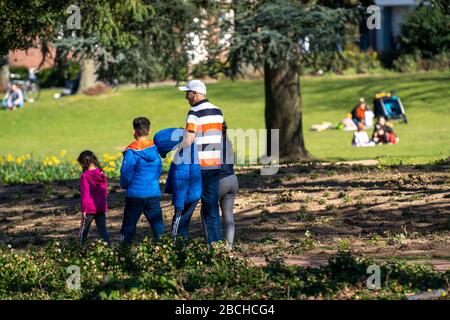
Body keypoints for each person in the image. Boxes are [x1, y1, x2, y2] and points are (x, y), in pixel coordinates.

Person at [176, 79, 224, 245]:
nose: (186, 97)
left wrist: (177, 150)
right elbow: (223, 135)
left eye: (187, 93)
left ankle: (179, 244)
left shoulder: (194, 112)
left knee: (187, 205)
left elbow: (188, 140)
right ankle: (216, 246)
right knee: (211, 207)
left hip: (198, 167)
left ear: (195, 94)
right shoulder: (218, 111)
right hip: (215, 165)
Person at [119, 117, 165, 244]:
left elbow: (126, 173)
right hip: (153, 192)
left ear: (134, 132)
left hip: (135, 194)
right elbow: (158, 170)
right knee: (158, 226)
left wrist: (125, 185)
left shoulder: (131, 151)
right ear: (149, 131)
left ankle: (124, 254)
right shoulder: (155, 149)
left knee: (128, 226)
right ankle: (164, 251)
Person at [77, 150, 111, 246]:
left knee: (83, 230)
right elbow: (104, 191)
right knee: (103, 230)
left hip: (89, 209)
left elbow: (85, 194)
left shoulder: (85, 176)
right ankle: (110, 248)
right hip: (100, 207)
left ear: (83, 163)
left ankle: (80, 249)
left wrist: (84, 209)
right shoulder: (101, 174)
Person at [214, 121, 239, 248]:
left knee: (209, 213)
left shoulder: (212, 145)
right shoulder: (228, 143)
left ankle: (214, 244)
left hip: (220, 181)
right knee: (228, 217)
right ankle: (229, 247)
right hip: (233, 179)